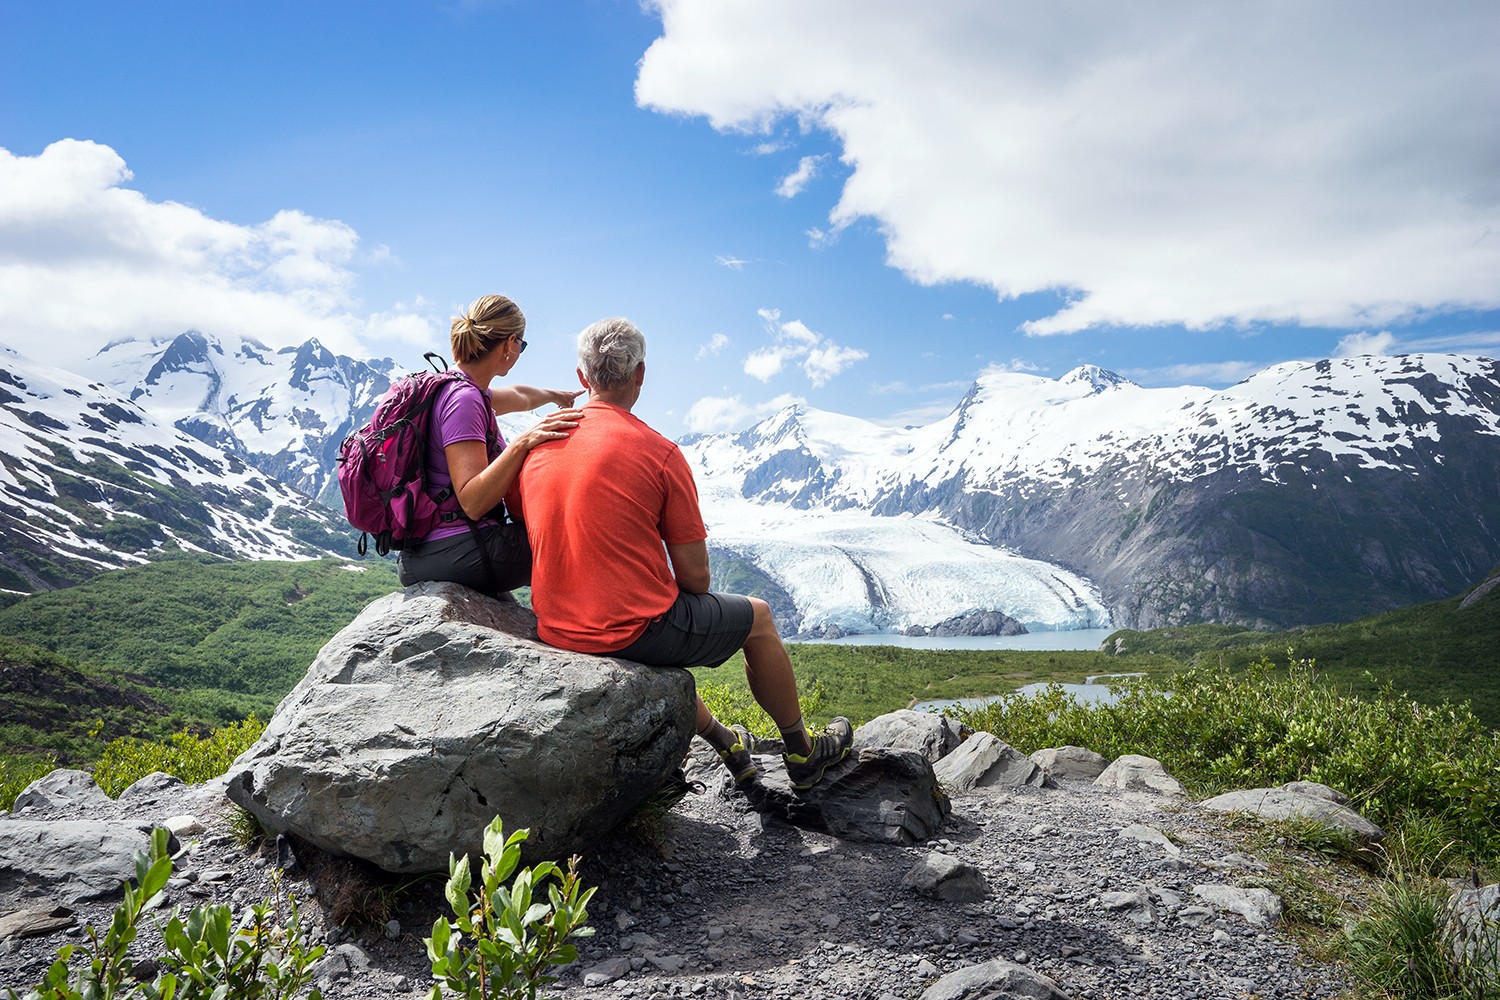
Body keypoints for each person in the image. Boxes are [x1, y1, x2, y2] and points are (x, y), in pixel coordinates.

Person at [516, 317, 853, 791]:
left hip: (558, 627)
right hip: (629, 633)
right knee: (758, 618)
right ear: (640, 375)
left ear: (581, 377)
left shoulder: (537, 444)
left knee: (652, 623)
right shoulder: (659, 453)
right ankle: (802, 752)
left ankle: (727, 742)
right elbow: (696, 580)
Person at [396, 293, 582, 597]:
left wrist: (555, 396)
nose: (520, 352)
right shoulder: (465, 401)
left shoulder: (462, 387)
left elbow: (520, 396)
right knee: (574, 540)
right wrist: (523, 443)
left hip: (436, 548)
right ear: (509, 343)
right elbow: (473, 501)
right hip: (455, 549)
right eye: (521, 345)